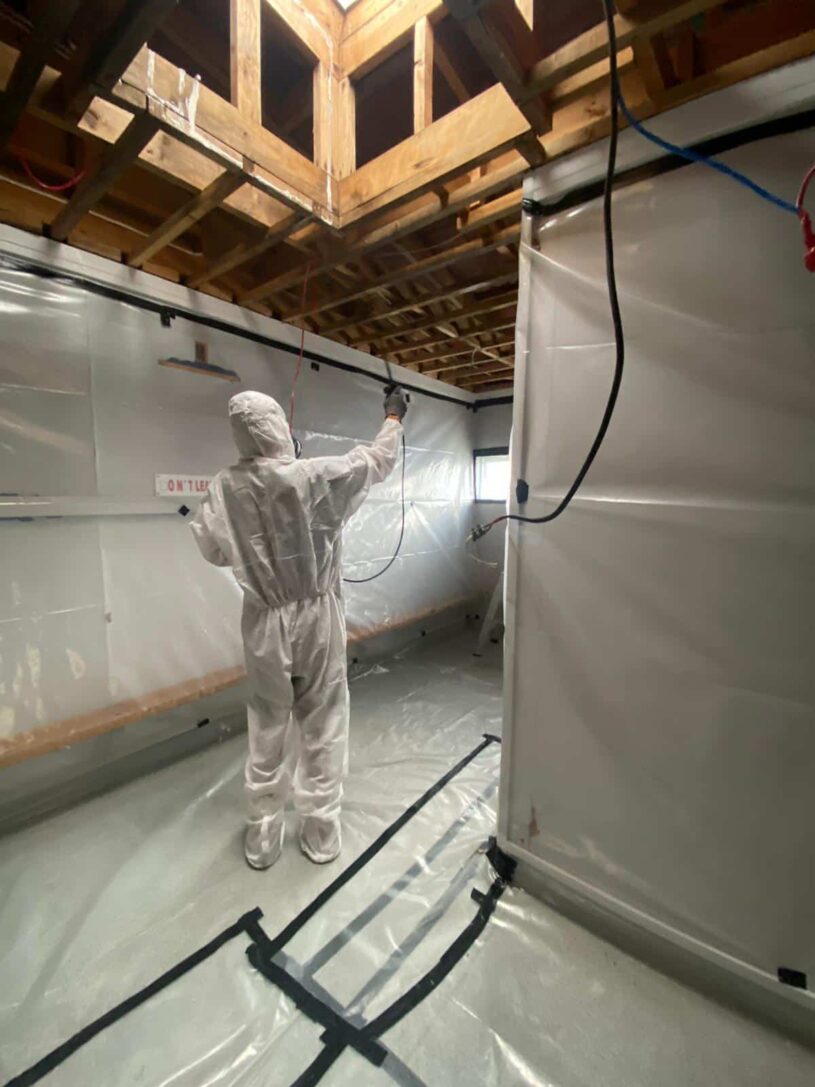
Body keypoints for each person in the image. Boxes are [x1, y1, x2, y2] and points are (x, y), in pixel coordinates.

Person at [190, 386, 408, 869]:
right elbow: (375, 460)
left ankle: (263, 834)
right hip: (316, 618)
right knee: (324, 717)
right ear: (277, 428)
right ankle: (320, 831)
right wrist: (393, 416)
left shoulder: (226, 486)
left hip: (264, 620)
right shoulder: (314, 476)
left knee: (268, 720)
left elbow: (214, 550)